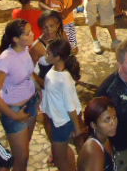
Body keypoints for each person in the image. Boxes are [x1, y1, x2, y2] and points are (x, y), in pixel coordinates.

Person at [0, 19, 38, 171]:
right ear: (15, 39)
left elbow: (29, 74)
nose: (33, 34)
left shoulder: (25, 49)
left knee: (23, 151)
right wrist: (15, 116)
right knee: (20, 158)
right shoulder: (5, 60)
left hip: (30, 104)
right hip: (15, 110)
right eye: (27, 33)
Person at [96, 40, 127, 171]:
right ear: (119, 63)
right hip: (119, 147)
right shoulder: (108, 91)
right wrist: (109, 151)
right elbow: (99, 127)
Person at [40, 38, 83, 171]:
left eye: (48, 53)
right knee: (61, 154)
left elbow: (70, 107)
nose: (46, 55)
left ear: (57, 57)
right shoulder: (53, 70)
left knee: (59, 158)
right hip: (56, 120)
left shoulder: (64, 79)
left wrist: (77, 128)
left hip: (63, 123)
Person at [77, 97, 118, 171]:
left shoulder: (104, 137)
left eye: (114, 117)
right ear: (93, 125)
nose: (113, 123)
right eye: (107, 120)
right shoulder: (94, 151)